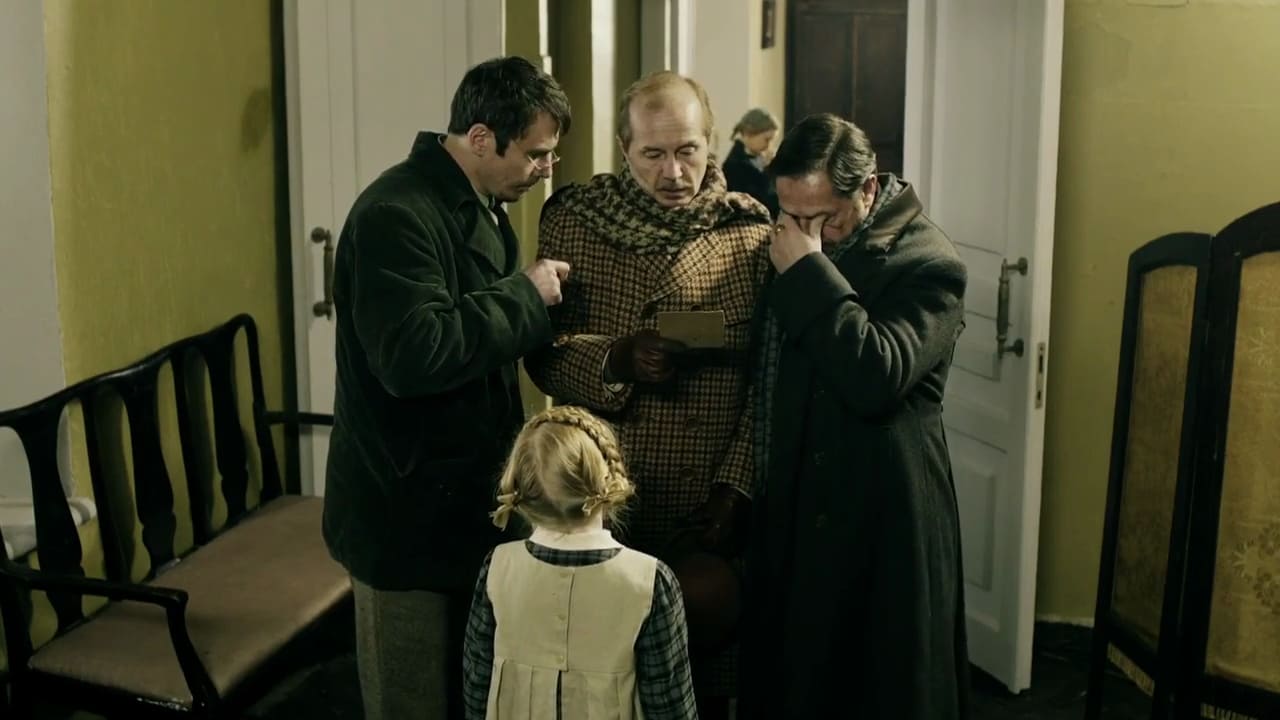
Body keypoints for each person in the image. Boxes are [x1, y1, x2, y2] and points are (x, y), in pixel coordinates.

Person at [322, 56, 572, 720]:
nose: (546, 168)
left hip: (465, 504)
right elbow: (413, 355)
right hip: (402, 513)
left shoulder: (479, 204)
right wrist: (524, 296)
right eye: (536, 153)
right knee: (408, 701)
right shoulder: (394, 214)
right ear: (482, 138)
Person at [524, 71, 771, 719]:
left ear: (711, 141)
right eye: (652, 154)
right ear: (623, 148)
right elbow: (542, 353)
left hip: (708, 507)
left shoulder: (749, 233)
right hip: (605, 501)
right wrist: (616, 358)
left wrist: (737, 487)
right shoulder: (577, 222)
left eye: (688, 150)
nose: (673, 173)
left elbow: (768, 382)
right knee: (604, 685)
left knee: (703, 687)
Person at [739, 113, 971, 719]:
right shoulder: (790, 234)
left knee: (879, 690)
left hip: (884, 517)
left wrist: (808, 270)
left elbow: (877, 376)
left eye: (824, 218)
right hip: (799, 505)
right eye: (791, 215)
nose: (805, 232)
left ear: (867, 189)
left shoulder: (930, 262)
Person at [462, 405, 699, 720]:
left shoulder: (498, 568)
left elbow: (477, 688)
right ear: (606, 480)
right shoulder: (650, 580)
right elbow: (669, 704)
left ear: (521, 493)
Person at [721, 108, 780, 217]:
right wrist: (768, 170)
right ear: (749, 134)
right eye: (767, 140)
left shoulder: (760, 158)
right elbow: (761, 199)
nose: (769, 145)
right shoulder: (734, 165)